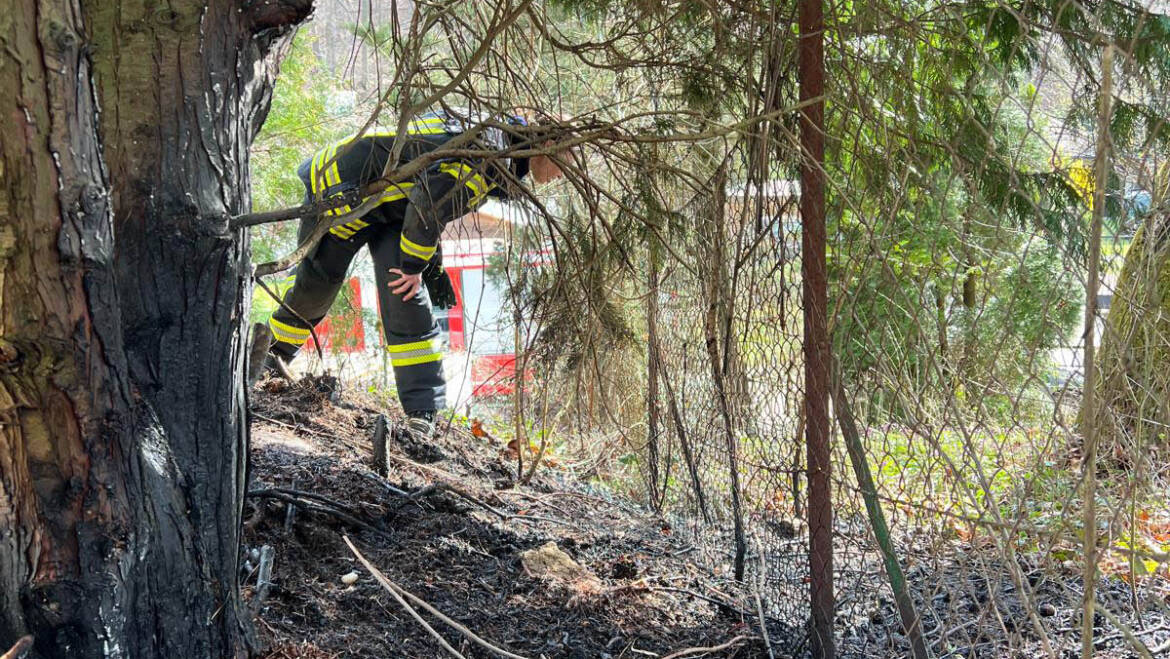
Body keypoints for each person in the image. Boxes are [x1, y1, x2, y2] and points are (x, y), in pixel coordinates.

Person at [262, 108, 566, 439]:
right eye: (565, 161)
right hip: (342, 194)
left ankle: (422, 411)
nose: (563, 174)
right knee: (316, 288)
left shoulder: (493, 149)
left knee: (404, 297)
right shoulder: (482, 156)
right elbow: (428, 202)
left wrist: (428, 267)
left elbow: (427, 196)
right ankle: (269, 358)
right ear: (546, 143)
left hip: (391, 207)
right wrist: (413, 266)